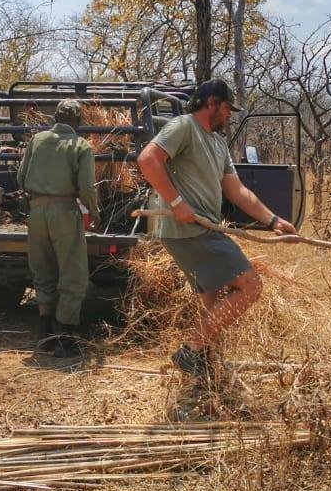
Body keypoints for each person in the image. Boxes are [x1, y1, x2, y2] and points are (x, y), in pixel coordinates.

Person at [136, 79, 297, 403]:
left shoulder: (217, 144)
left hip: (204, 227)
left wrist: (273, 220)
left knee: (214, 300)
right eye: (226, 108)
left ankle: (207, 369)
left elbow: (237, 192)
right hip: (189, 229)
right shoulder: (184, 126)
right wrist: (177, 202)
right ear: (211, 102)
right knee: (250, 285)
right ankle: (191, 350)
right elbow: (147, 160)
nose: (229, 115)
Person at [17, 99, 99, 357]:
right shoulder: (81, 146)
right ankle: (65, 338)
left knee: (43, 272)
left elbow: (21, 177)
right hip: (64, 212)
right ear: (77, 121)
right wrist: (94, 211)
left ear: (55, 118)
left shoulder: (37, 140)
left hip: (37, 212)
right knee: (72, 275)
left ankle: (45, 335)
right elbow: (86, 187)